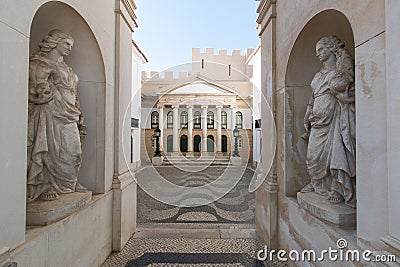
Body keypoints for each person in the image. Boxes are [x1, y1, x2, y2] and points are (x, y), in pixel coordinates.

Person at [27, 29, 87, 202]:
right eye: (66, 44)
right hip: (51, 111)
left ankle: (69, 183)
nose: (69, 48)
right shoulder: (42, 63)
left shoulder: (67, 68)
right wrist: (44, 90)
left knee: (74, 152)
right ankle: (47, 184)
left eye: (71, 45)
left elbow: (74, 92)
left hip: (69, 112)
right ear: (55, 42)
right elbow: (36, 86)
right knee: (51, 148)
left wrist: (79, 111)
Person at [301, 35, 356, 208]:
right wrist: (307, 114)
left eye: (320, 50)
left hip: (334, 119)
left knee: (334, 153)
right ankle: (317, 182)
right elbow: (313, 97)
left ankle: (336, 188)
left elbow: (348, 92)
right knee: (312, 156)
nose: (317, 54)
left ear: (331, 49)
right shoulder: (319, 75)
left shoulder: (340, 72)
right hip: (317, 120)